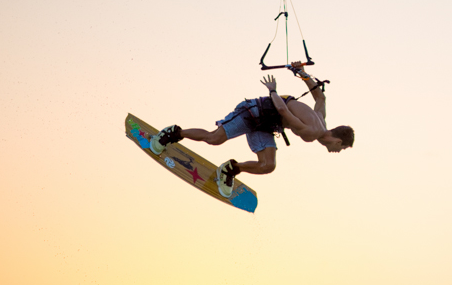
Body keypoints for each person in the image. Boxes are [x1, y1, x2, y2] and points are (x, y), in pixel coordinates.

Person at [150, 64, 354, 197]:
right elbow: (283, 109)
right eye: (342, 148)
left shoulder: (321, 119)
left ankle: (229, 170)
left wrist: (302, 73)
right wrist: (273, 90)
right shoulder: (313, 132)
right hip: (254, 112)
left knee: (268, 165)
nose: (338, 151)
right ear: (337, 141)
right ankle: (173, 133)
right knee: (214, 139)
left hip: (267, 125)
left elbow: (320, 98)